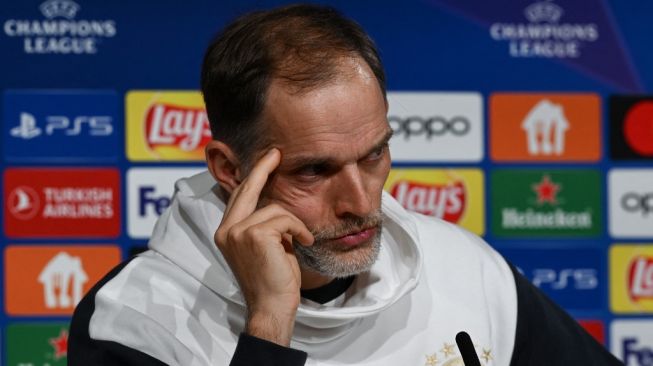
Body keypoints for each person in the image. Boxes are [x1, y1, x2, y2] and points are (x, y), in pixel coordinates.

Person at [69, 4, 622, 365]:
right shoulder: (135, 319)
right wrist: (268, 322)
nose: (362, 203)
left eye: (375, 153)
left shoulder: (465, 267)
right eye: (314, 170)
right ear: (230, 169)